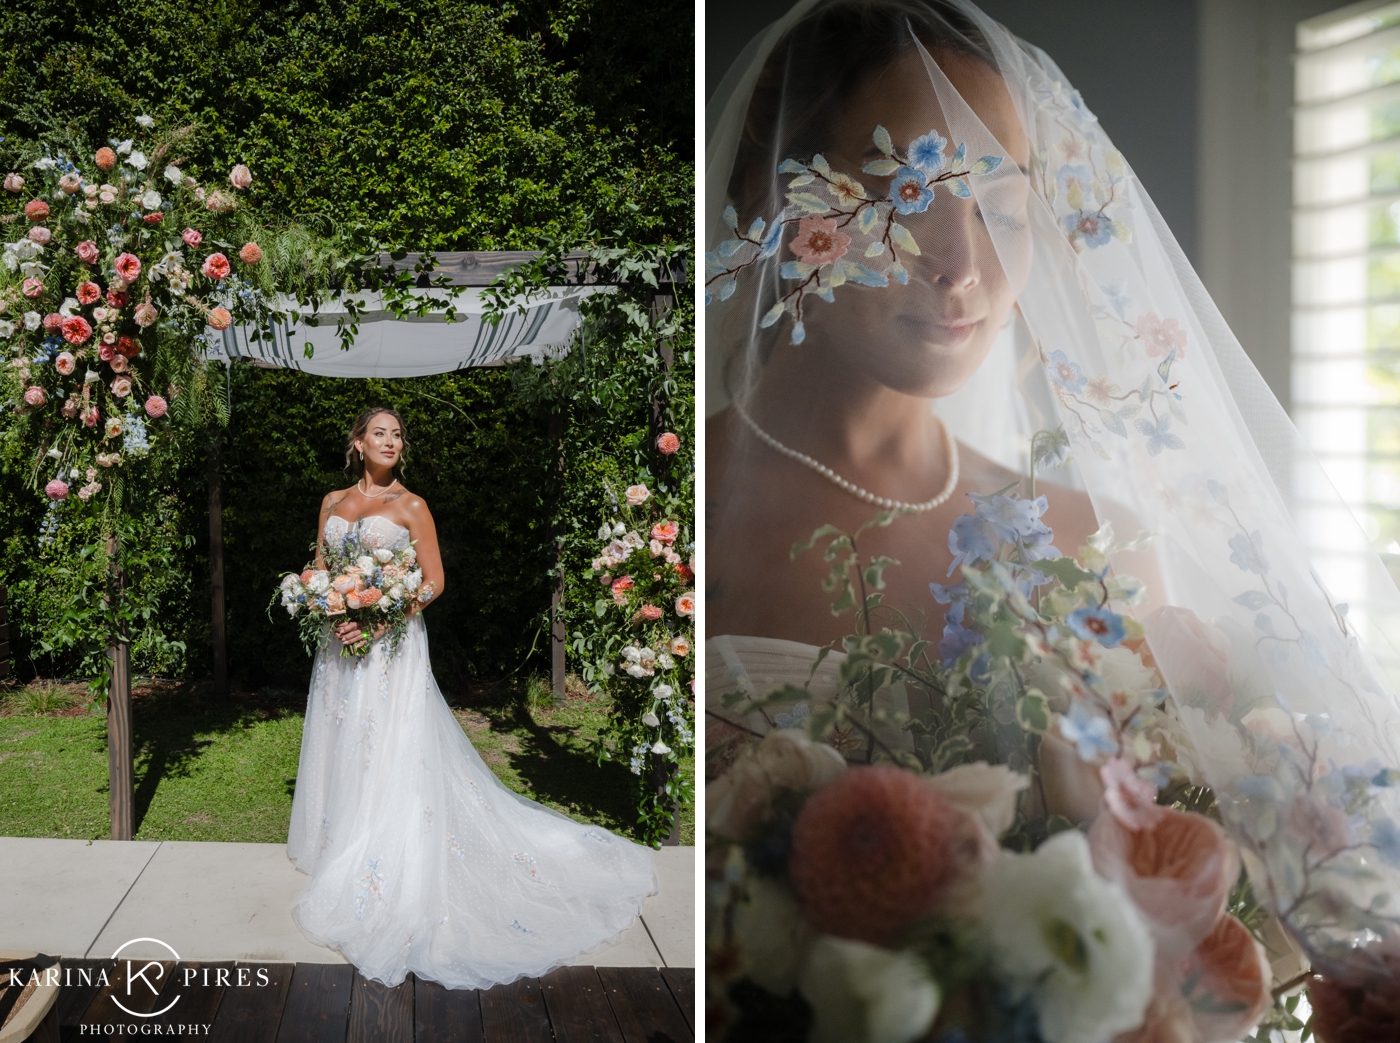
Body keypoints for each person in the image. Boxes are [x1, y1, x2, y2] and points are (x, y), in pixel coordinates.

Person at [704, 0, 1400, 1012]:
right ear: (770, 195)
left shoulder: (1092, 541)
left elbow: (1177, 925)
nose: (962, 264)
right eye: (907, 190)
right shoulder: (667, 514)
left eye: (1004, 205)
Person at [286, 407, 657, 990]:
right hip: (339, 647)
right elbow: (319, 565)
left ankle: (382, 847)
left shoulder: (412, 506)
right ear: (357, 442)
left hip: (389, 647)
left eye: (398, 434)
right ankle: (340, 839)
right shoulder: (331, 501)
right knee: (342, 734)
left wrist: (379, 620)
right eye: (378, 433)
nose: (389, 441)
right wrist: (328, 604)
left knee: (387, 743)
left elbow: (433, 581)